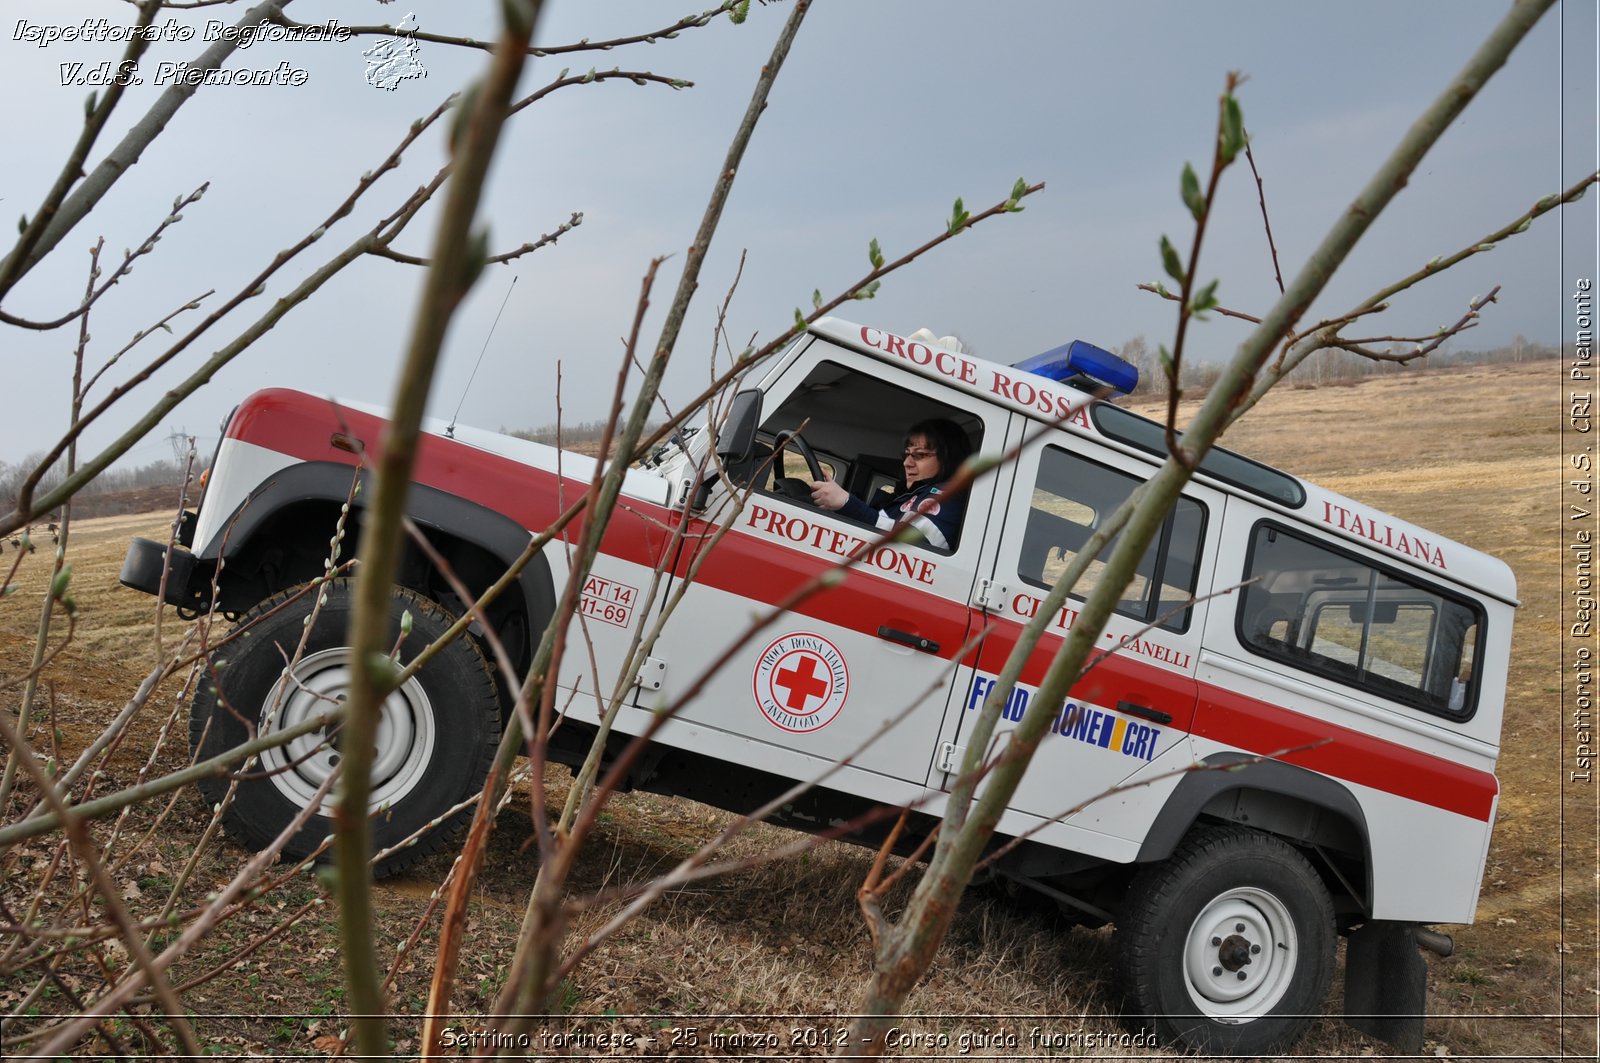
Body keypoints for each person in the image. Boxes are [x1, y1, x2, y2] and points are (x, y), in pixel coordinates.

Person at [810, 418, 971, 551]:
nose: (907, 463)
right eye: (906, 455)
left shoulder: (951, 498)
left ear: (948, 458)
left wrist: (847, 504)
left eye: (919, 455)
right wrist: (836, 504)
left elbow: (914, 545)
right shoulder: (910, 494)